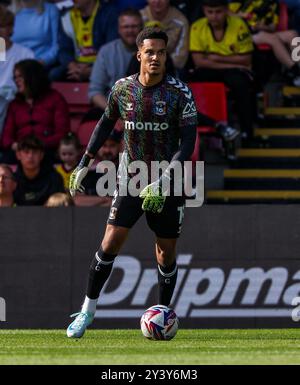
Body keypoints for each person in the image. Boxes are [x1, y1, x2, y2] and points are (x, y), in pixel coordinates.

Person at [66, 27, 198, 338]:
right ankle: (86, 313)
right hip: (132, 177)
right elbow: (105, 122)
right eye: (150, 52)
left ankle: (164, 315)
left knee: (165, 252)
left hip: (169, 181)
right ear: (138, 54)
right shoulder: (122, 89)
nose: (155, 57)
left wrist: (164, 179)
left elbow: (187, 143)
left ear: (166, 56)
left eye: (161, 52)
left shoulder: (180, 93)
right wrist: (85, 162)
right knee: (110, 242)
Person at [189, 0, 255, 140]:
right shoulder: (196, 27)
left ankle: (247, 131)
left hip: (233, 72)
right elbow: (199, 62)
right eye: (210, 12)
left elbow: (246, 60)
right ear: (204, 11)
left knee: (240, 83)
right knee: (191, 81)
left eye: (218, 12)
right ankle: (203, 127)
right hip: (214, 70)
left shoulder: (239, 25)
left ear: (226, 10)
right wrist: (232, 62)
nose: (214, 16)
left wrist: (214, 58)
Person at [0, 59, 70, 162]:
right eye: (15, 77)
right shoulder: (14, 104)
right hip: (20, 152)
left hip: (47, 151)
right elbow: (6, 138)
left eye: (20, 76)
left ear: (32, 77)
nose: (16, 81)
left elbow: (62, 133)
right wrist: (16, 145)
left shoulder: (55, 99)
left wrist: (38, 145)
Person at [228, 0, 300, 86]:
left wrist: (261, 27)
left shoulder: (273, 3)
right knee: (272, 38)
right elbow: (226, 13)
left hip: (260, 32)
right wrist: (241, 16)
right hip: (242, 34)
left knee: (292, 34)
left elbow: (272, 28)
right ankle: (295, 72)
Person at [88, 8, 144, 115]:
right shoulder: (106, 51)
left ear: (141, 28)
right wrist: (114, 114)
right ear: (119, 29)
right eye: (125, 27)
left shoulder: (153, 51)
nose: (130, 30)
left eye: (134, 26)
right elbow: (95, 92)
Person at [54, 0, 119, 82]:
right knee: (54, 75)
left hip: (101, 64)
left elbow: (112, 49)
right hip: (76, 64)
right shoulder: (66, 15)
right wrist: (72, 66)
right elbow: (63, 48)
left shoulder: (109, 13)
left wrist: (93, 70)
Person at [0, 5, 34, 136]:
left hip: (17, 103)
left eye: (1, 26)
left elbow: (31, 87)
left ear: (10, 28)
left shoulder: (25, 53)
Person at [14, 135, 65, 206]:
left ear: (41, 155)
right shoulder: (12, 180)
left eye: (34, 152)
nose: (30, 156)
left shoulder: (54, 178)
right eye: (26, 152)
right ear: (18, 155)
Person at [140, 0, 190, 71]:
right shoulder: (139, 18)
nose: (157, 1)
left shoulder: (181, 22)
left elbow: (180, 57)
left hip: (170, 69)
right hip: (141, 67)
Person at [12, 0, 60, 68]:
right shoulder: (8, 13)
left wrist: (43, 61)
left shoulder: (51, 10)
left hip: (42, 66)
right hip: (14, 67)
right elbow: (2, 42)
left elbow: (57, 45)